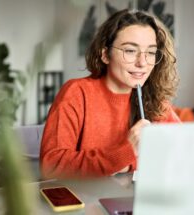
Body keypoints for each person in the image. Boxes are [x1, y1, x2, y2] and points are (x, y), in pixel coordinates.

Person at [39, 9, 180, 179]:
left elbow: (183, 153)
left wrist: (127, 164)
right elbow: (51, 166)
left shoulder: (154, 99)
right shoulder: (76, 93)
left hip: (134, 200)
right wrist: (126, 152)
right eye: (130, 51)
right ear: (105, 54)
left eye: (150, 52)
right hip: (82, 201)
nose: (142, 63)